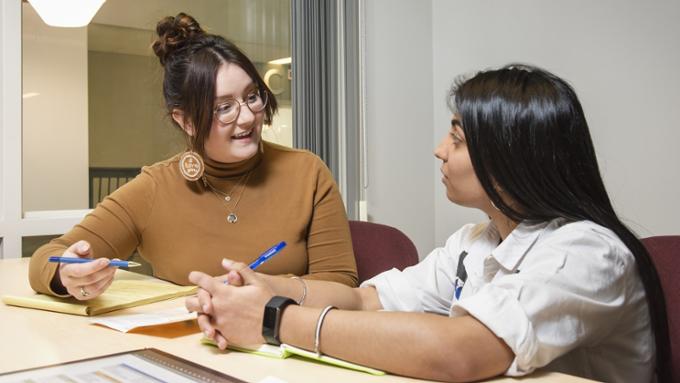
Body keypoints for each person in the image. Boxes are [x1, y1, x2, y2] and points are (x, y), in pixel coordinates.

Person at [186, 65, 670, 382]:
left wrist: (275, 320)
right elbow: (366, 299)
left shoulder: (587, 253)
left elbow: (461, 351)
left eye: (456, 140)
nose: (439, 149)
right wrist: (265, 288)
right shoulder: (477, 240)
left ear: (508, 158)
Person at [28, 13, 358, 300]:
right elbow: (49, 257)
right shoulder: (154, 188)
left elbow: (341, 286)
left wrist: (268, 288)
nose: (246, 117)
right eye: (224, 107)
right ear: (184, 120)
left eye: (252, 96)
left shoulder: (306, 172)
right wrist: (67, 277)